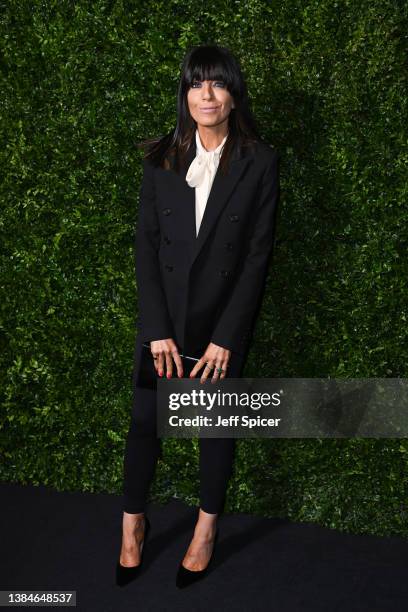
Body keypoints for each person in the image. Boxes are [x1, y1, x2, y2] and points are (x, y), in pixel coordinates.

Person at [116, 44, 280, 588]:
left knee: (214, 431)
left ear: (234, 95)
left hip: (218, 328)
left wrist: (227, 338)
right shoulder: (161, 157)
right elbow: (145, 247)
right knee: (145, 424)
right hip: (164, 324)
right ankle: (132, 527)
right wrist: (155, 330)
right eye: (195, 84)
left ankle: (206, 531)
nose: (205, 95)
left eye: (216, 84)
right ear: (184, 94)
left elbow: (257, 256)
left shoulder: (260, 160)